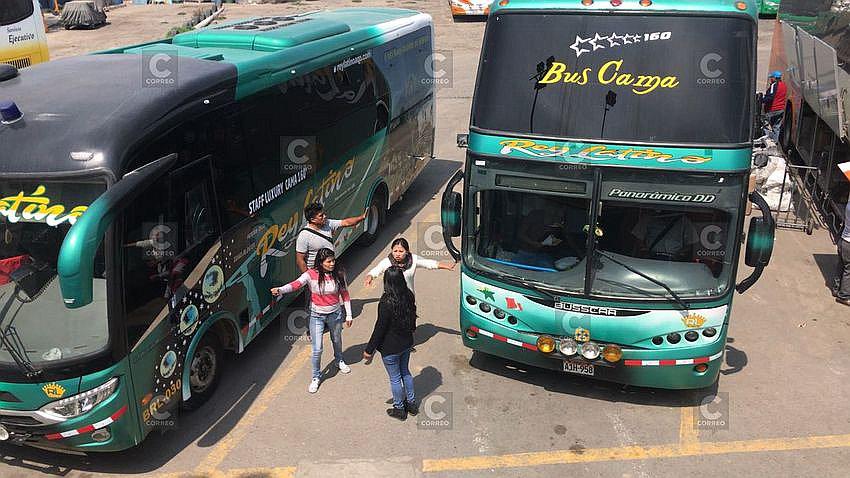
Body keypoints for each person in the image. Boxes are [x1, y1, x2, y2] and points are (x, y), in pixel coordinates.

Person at [271, 248, 353, 393]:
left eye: (333, 260)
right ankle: (316, 376)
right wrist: (281, 290)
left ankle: (339, 360)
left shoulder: (339, 274)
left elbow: (345, 295)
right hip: (316, 316)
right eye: (329, 261)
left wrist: (349, 315)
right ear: (321, 263)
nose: (332, 263)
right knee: (317, 349)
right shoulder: (310, 274)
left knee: (337, 340)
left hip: (335, 315)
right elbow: (296, 284)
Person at [363, 267, 418, 421]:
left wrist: (369, 350)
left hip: (390, 348)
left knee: (395, 378)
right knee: (405, 372)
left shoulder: (386, 302)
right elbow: (413, 315)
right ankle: (412, 404)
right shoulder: (409, 295)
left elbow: (380, 328)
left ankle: (399, 408)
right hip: (406, 343)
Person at [364, 237, 456, 293]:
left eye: (401, 251)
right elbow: (376, 271)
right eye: (395, 251)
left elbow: (429, 263)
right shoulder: (387, 262)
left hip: (408, 299)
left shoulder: (414, 259)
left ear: (407, 252)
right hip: (390, 300)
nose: (397, 254)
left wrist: (446, 266)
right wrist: (369, 277)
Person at [834, 201, 850, 306]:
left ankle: (836, 288)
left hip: (843, 239)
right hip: (849, 243)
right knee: (848, 269)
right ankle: (843, 296)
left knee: (842, 265)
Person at [763, 70, 787, 142]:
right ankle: (775, 142)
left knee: (765, 124)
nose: (771, 79)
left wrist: (762, 100)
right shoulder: (784, 85)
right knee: (776, 127)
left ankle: (767, 140)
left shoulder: (774, 85)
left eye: (771, 77)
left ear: (774, 78)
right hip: (781, 109)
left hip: (773, 109)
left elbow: (771, 97)